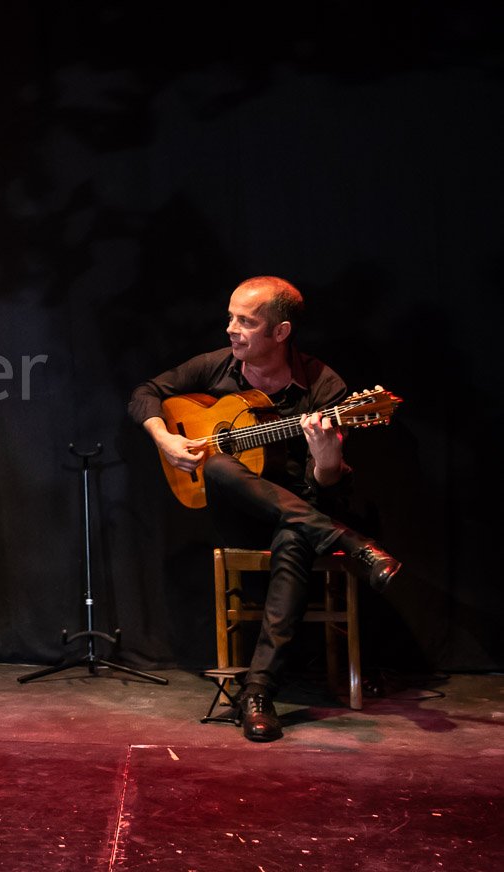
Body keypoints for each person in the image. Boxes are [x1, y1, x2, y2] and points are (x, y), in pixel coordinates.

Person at [128, 276, 401, 743]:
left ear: (281, 331)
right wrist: (165, 437)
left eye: (245, 322)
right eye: (230, 317)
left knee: (296, 536)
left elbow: (327, 484)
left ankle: (257, 693)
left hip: (300, 513)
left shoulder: (323, 384)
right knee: (218, 467)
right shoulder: (218, 365)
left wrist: (327, 458)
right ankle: (350, 541)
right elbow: (145, 393)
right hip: (239, 516)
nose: (231, 329)